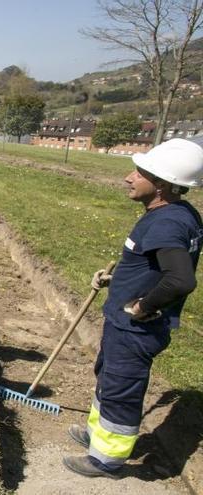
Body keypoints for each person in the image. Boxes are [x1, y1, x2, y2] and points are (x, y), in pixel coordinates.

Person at [63, 135, 203, 478]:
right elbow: (155, 268)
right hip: (126, 326)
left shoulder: (168, 222)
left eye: (139, 173)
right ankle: (97, 436)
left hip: (135, 329)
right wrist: (118, 283)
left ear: (162, 186)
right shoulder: (178, 213)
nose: (129, 177)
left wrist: (141, 306)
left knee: (121, 390)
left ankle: (106, 460)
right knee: (109, 379)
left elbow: (180, 280)